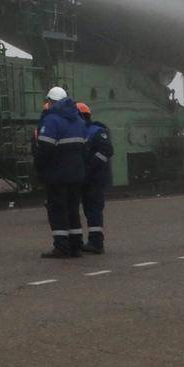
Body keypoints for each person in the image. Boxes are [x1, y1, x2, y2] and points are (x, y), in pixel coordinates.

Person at [33, 86, 87, 258]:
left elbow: (44, 149)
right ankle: (76, 245)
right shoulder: (78, 120)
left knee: (57, 210)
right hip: (76, 174)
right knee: (73, 209)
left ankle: (61, 246)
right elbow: (84, 148)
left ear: (51, 102)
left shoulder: (52, 121)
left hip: (57, 174)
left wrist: (40, 167)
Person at [76, 102, 113, 254]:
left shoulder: (97, 131)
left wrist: (90, 166)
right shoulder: (82, 131)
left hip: (95, 178)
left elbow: (106, 150)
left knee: (94, 210)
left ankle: (96, 242)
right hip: (86, 178)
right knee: (88, 209)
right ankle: (93, 240)